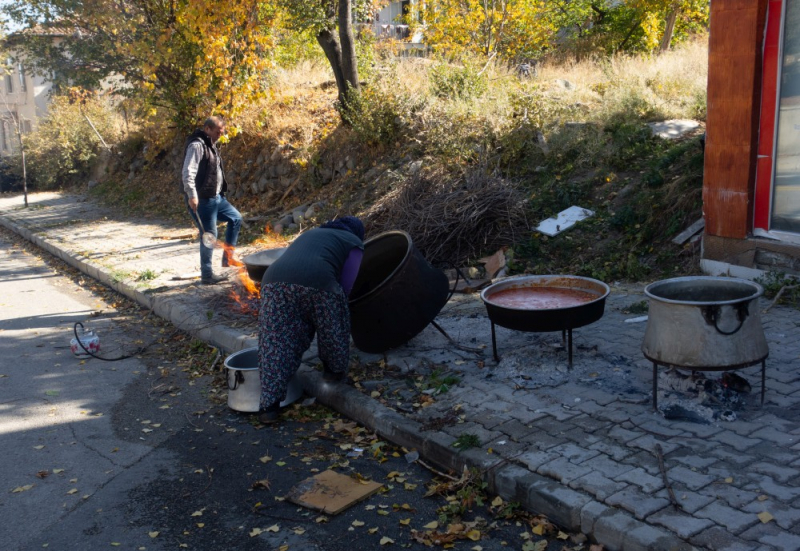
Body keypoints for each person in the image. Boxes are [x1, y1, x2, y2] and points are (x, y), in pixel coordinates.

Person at [257, 216, 365, 423]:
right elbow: (346, 285)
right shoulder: (354, 242)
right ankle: (333, 372)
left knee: (276, 341)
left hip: (273, 281)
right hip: (319, 279)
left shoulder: (311, 233)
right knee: (332, 328)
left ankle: (268, 407)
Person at [182, 116, 242, 285]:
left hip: (217, 198)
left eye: (222, 132)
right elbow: (188, 172)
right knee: (209, 236)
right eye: (217, 132)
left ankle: (228, 259)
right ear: (207, 129)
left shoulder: (211, 145)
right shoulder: (197, 145)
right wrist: (192, 195)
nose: (220, 135)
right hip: (203, 200)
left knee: (236, 218)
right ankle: (207, 275)